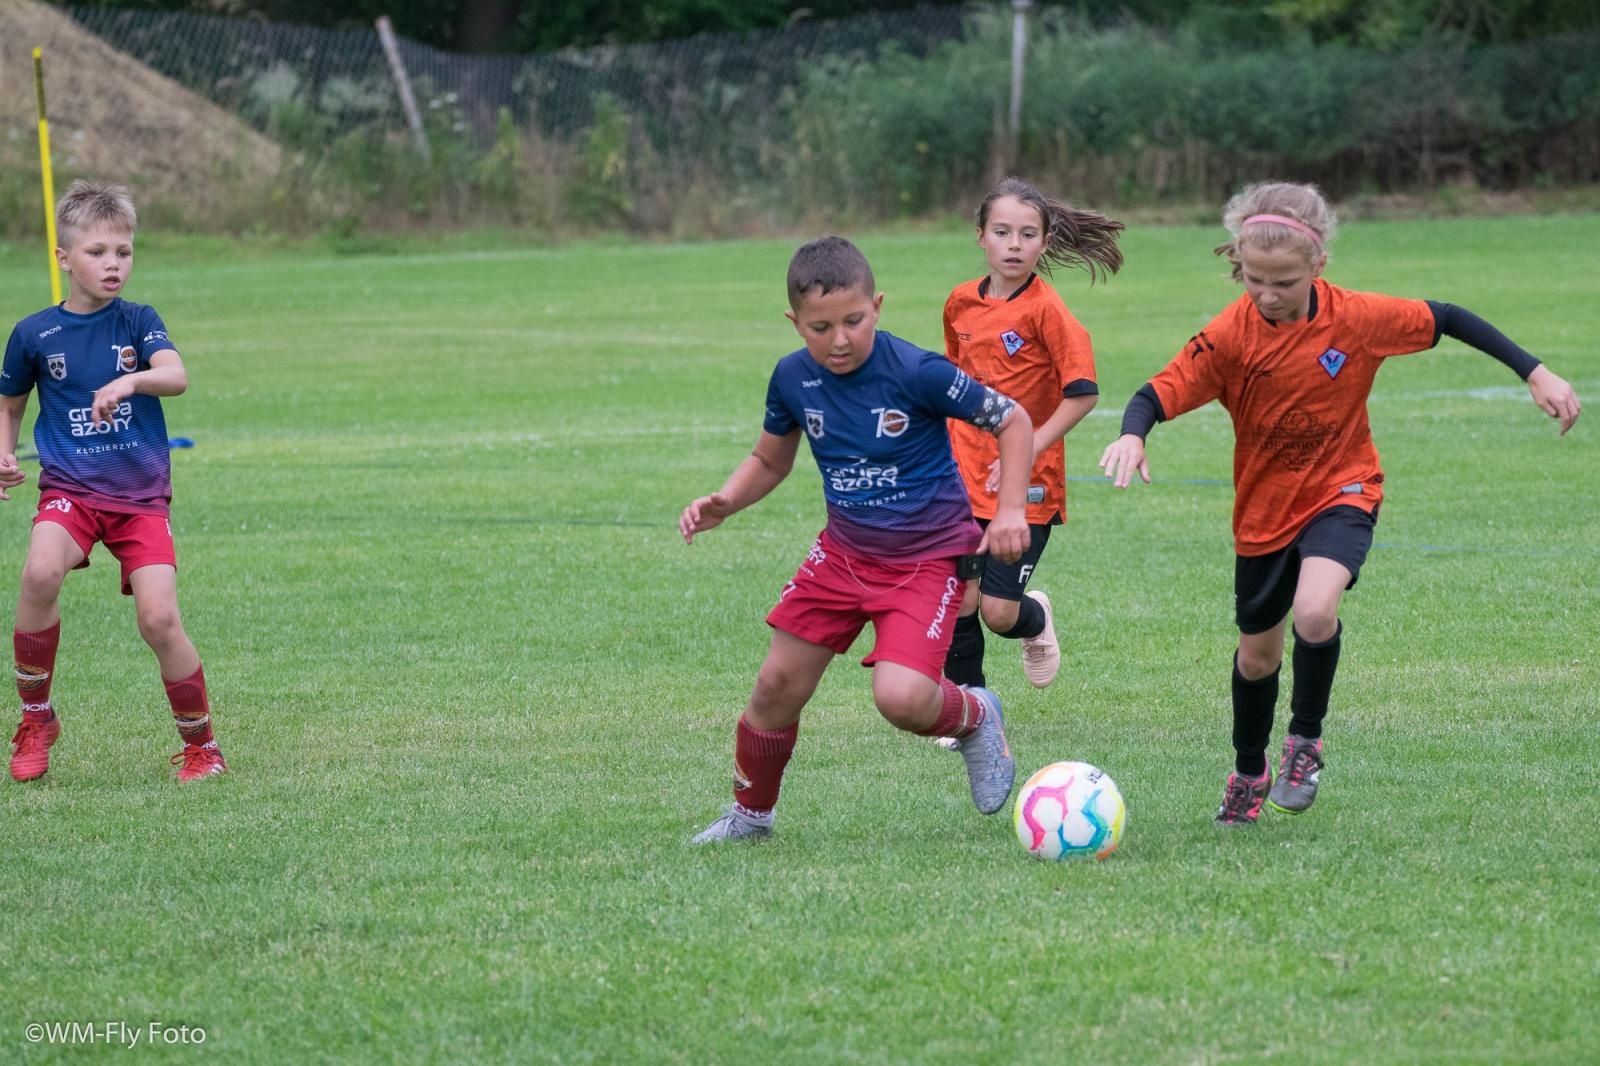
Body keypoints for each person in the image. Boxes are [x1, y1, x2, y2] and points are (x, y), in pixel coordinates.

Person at [1097, 180, 1580, 827]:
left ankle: (1305, 741)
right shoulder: (1232, 334)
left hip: (1343, 490)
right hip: (1263, 516)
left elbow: (1449, 318)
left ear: (1318, 264)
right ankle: (1249, 769)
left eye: (1285, 282)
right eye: (1254, 279)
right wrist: (1134, 431)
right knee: (1256, 658)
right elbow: (1158, 390)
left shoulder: (1357, 318)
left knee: (1316, 609)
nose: (1267, 295)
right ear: (1239, 264)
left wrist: (1535, 370)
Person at [680, 236, 1035, 842]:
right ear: (795, 323)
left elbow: (1013, 420)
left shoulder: (917, 371)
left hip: (927, 560)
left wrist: (1007, 513)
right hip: (843, 556)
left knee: (901, 700)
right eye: (820, 327)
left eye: (853, 320)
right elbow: (770, 460)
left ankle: (975, 716)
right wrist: (727, 500)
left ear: (878, 305)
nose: (839, 339)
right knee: (775, 686)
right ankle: (750, 817)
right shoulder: (792, 379)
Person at [1, 180, 227, 783]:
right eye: (98, 251)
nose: (113, 264)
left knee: (158, 619)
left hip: (140, 499)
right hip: (69, 490)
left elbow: (175, 376)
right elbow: (10, 403)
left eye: (123, 252)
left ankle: (202, 747)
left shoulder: (138, 321)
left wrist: (131, 382)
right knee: (40, 571)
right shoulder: (33, 335)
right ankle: (35, 717)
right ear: (64, 258)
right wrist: (4, 453)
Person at [941, 176, 1123, 692]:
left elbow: (1083, 393)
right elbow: (955, 383)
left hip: (1027, 481)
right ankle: (967, 712)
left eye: (1027, 234)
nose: (1014, 245)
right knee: (961, 599)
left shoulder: (1048, 311)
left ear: (1044, 242)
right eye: (1002, 232)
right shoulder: (959, 303)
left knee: (999, 613)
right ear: (981, 236)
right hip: (962, 475)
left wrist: (1028, 447)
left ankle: (1035, 619)